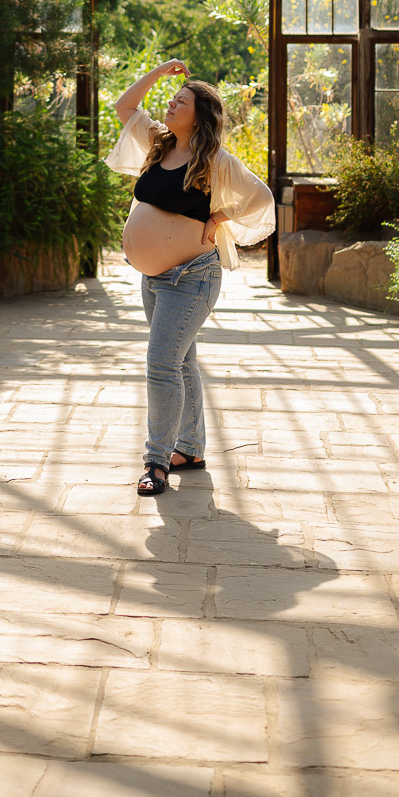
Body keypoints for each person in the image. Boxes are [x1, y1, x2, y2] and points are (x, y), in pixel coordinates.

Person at [105, 58, 274, 497]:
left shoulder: (215, 160)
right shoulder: (158, 144)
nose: (170, 104)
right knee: (181, 363)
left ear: (199, 115)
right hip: (154, 279)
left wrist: (221, 214)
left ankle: (156, 462)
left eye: (180, 101)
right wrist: (160, 71)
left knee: (161, 364)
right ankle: (191, 449)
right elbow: (125, 106)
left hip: (192, 277)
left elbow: (261, 197)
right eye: (171, 98)